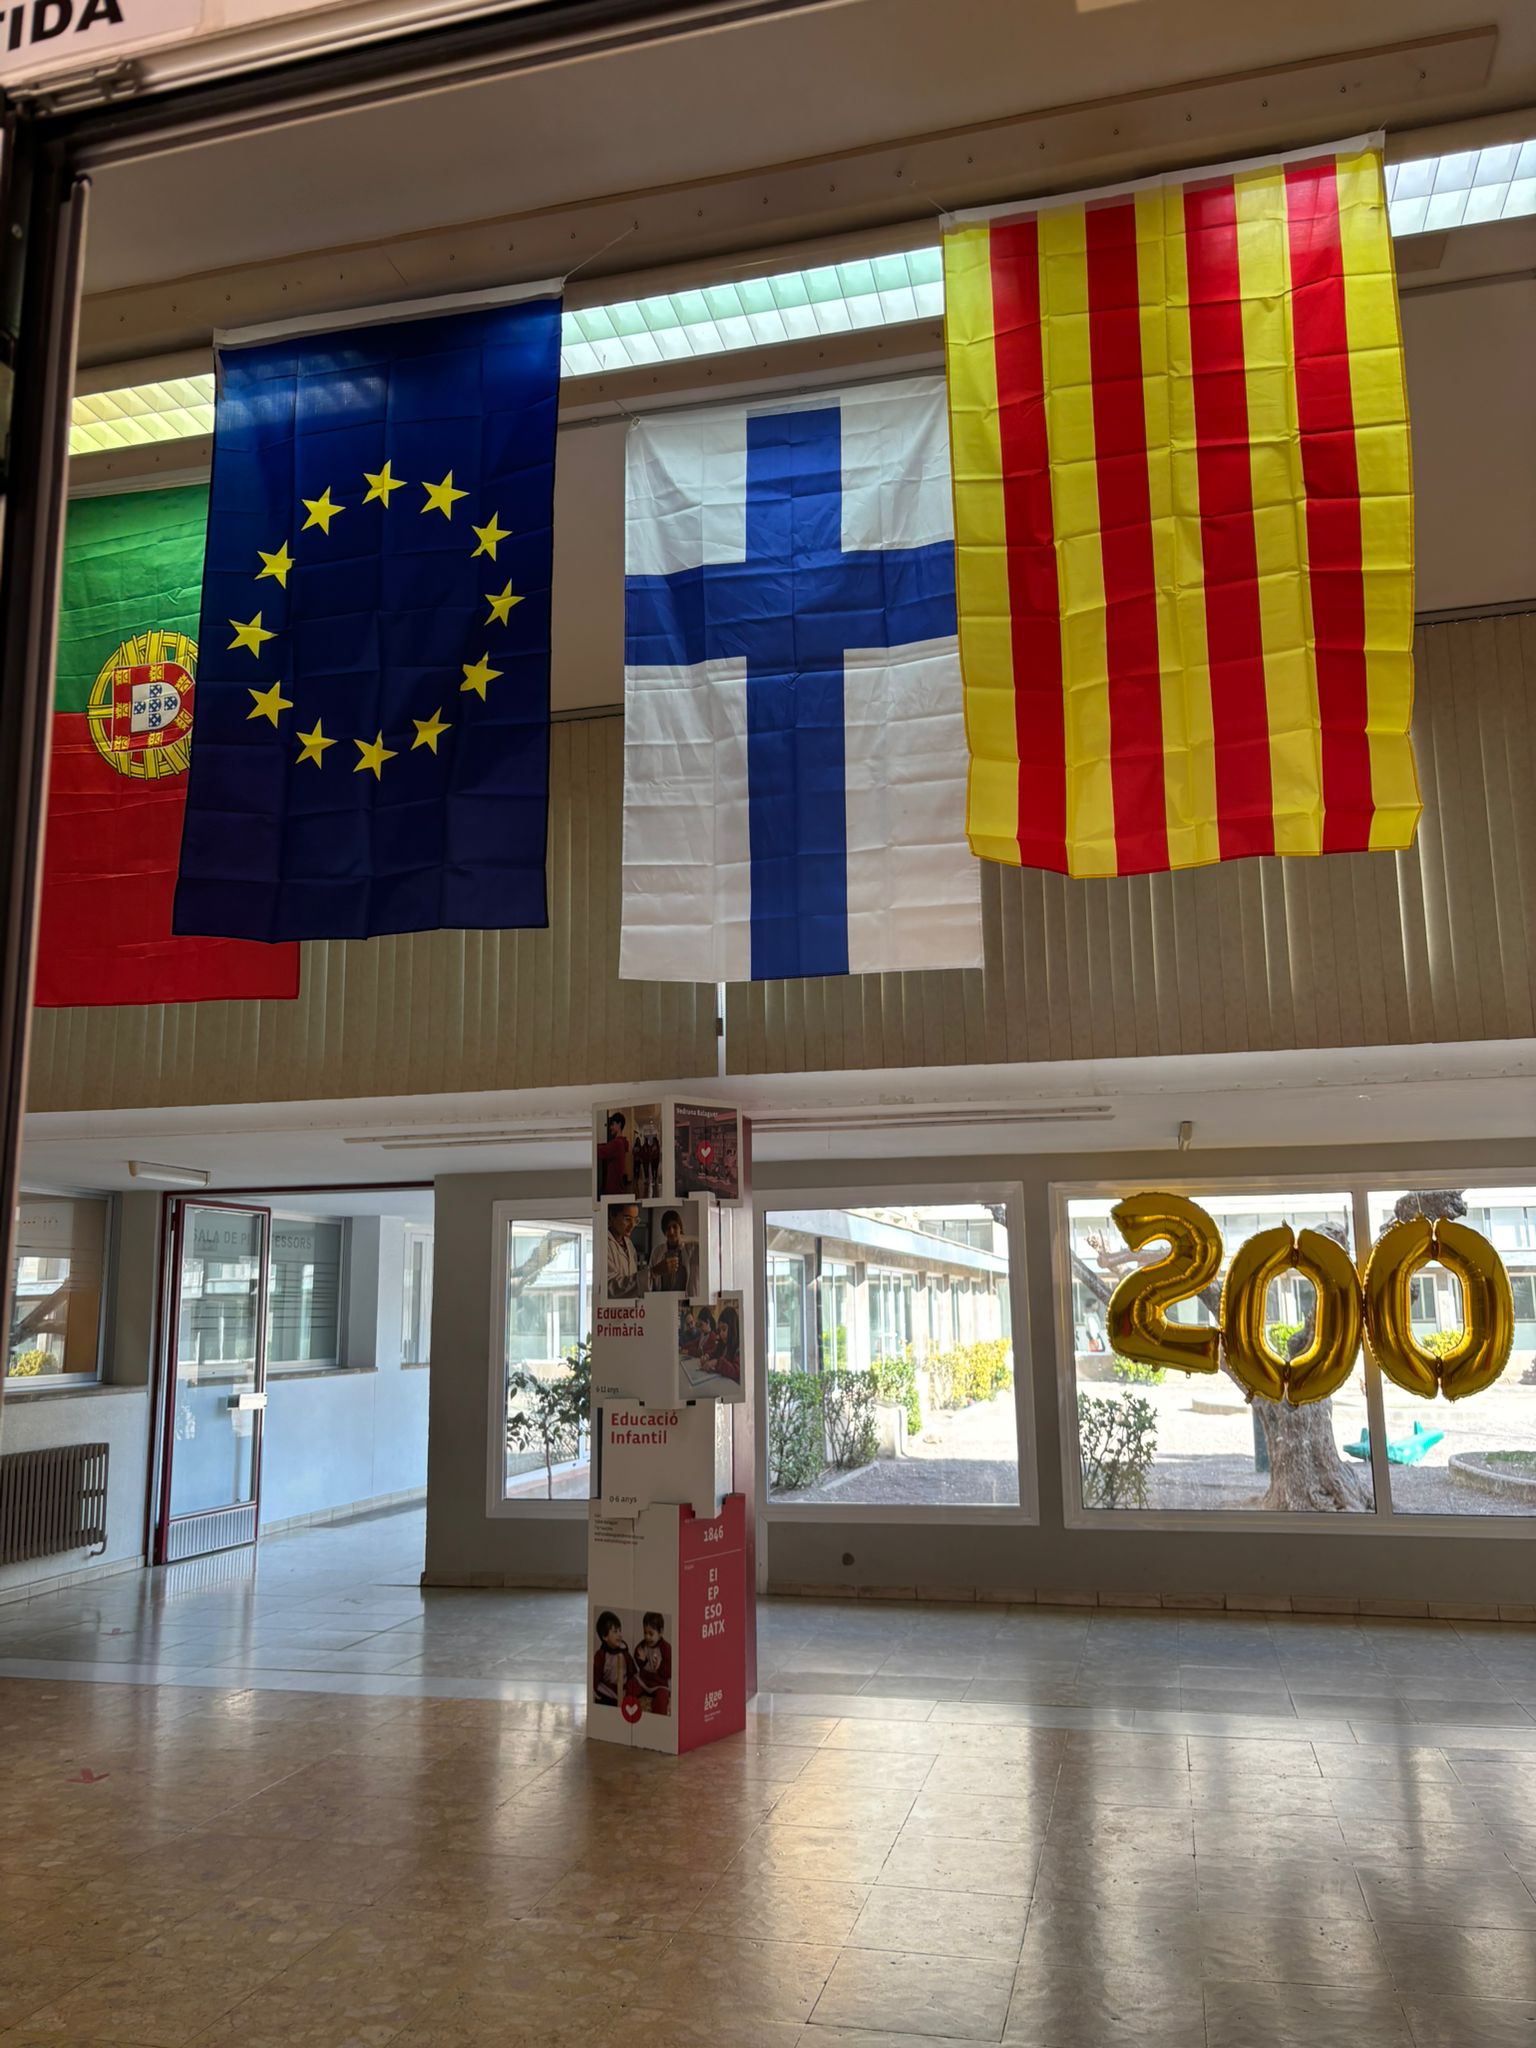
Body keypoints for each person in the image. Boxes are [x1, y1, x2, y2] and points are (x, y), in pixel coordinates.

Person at [592, 1611, 636, 1707]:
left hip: (623, 1689)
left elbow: (632, 1672)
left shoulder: (624, 1653)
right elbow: (595, 1675)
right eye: (615, 1632)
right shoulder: (601, 1655)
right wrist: (593, 1689)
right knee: (600, 1693)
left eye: (620, 1631)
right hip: (608, 1689)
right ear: (605, 1636)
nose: (620, 1635)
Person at [648, 1209, 697, 1293]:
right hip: (662, 1298)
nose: (671, 1231)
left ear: (680, 1228)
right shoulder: (657, 1252)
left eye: (675, 1227)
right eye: (668, 1228)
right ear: (664, 1232)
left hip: (684, 1298)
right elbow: (650, 1279)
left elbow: (706, 1241)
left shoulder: (692, 1249)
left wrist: (683, 1238)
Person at [633, 1612, 671, 1716]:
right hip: (644, 1680)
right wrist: (642, 1660)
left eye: (651, 1633)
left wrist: (660, 1666)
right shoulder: (643, 1645)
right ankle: (630, 1712)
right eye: (645, 1632)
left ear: (661, 1632)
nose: (647, 1637)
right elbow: (637, 1657)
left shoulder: (666, 1648)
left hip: (659, 1683)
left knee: (662, 1698)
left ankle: (658, 1718)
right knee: (632, 1685)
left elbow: (669, 1671)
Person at [606, 1203, 643, 1299]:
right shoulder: (605, 1244)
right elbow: (612, 1287)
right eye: (627, 1219)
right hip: (614, 1307)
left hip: (630, 1305)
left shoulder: (629, 1244)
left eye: (635, 1220)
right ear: (612, 1216)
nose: (632, 1225)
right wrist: (651, 1273)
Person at [596, 1111, 631, 1198]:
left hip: (613, 1190)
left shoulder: (617, 1143)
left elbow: (599, 1152)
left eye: (612, 1124)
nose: (610, 1127)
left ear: (619, 1124)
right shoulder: (622, 1142)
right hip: (618, 1188)